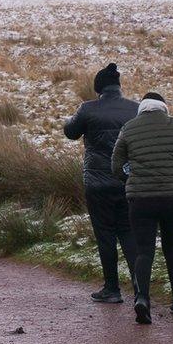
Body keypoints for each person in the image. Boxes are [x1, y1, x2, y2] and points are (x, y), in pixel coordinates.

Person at [112, 92, 173, 325]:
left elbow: (115, 166)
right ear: (163, 108)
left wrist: (130, 179)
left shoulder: (128, 128)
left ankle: (142, 299)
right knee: (172, 248)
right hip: (172, 198)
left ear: (142, 109)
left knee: (144, 251)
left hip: (140, 200)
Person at [64, 63, 139, 304]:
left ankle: (112, 288)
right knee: (129, 233)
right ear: (118, 87)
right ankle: (140, 289)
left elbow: (70, 132)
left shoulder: (88, 109)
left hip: (97, 183)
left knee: (105, 235)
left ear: (99, 88)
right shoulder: (135, 109)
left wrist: (70, 119)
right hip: (127, 181)